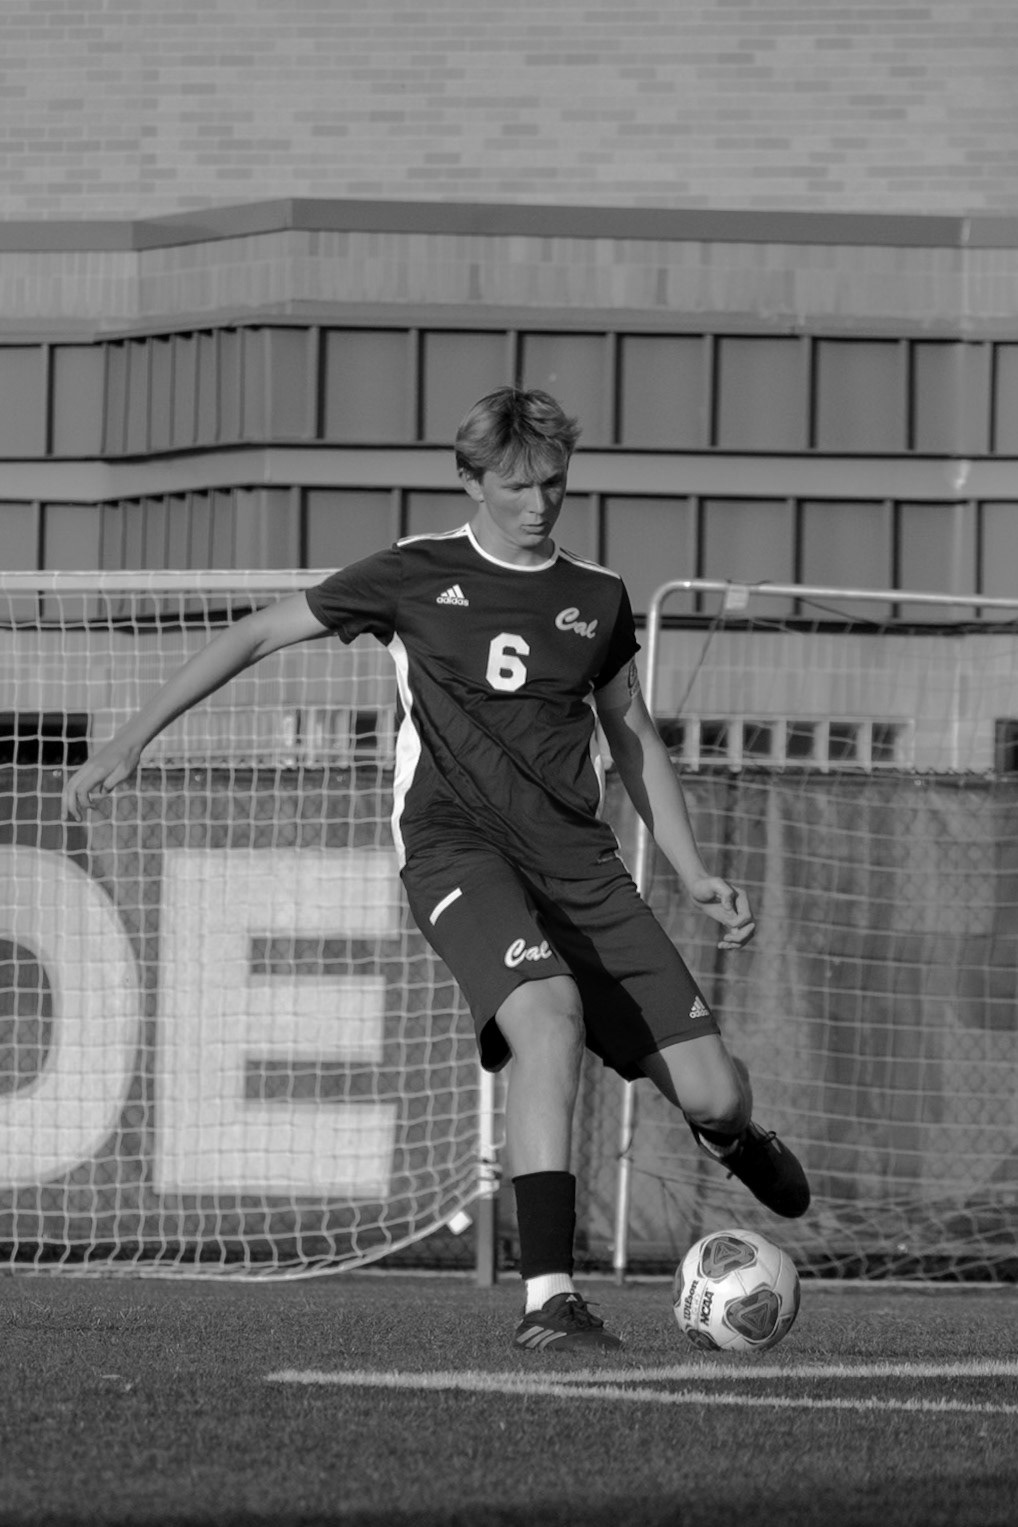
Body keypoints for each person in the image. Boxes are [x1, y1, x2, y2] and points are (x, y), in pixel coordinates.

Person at [64, 386, 809, 1354]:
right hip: (456, 852)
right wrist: (131, 740)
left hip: (580, 868)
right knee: (545, 1015)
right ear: (470, 481)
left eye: (553, 484)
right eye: (515, 486)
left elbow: (631, 735)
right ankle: (551, 1296)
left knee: (714, 1092)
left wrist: (692, 867)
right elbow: (252, 633)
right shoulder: (412, 574)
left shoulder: (596, 596)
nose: (538, 504)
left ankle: (732, 1138)